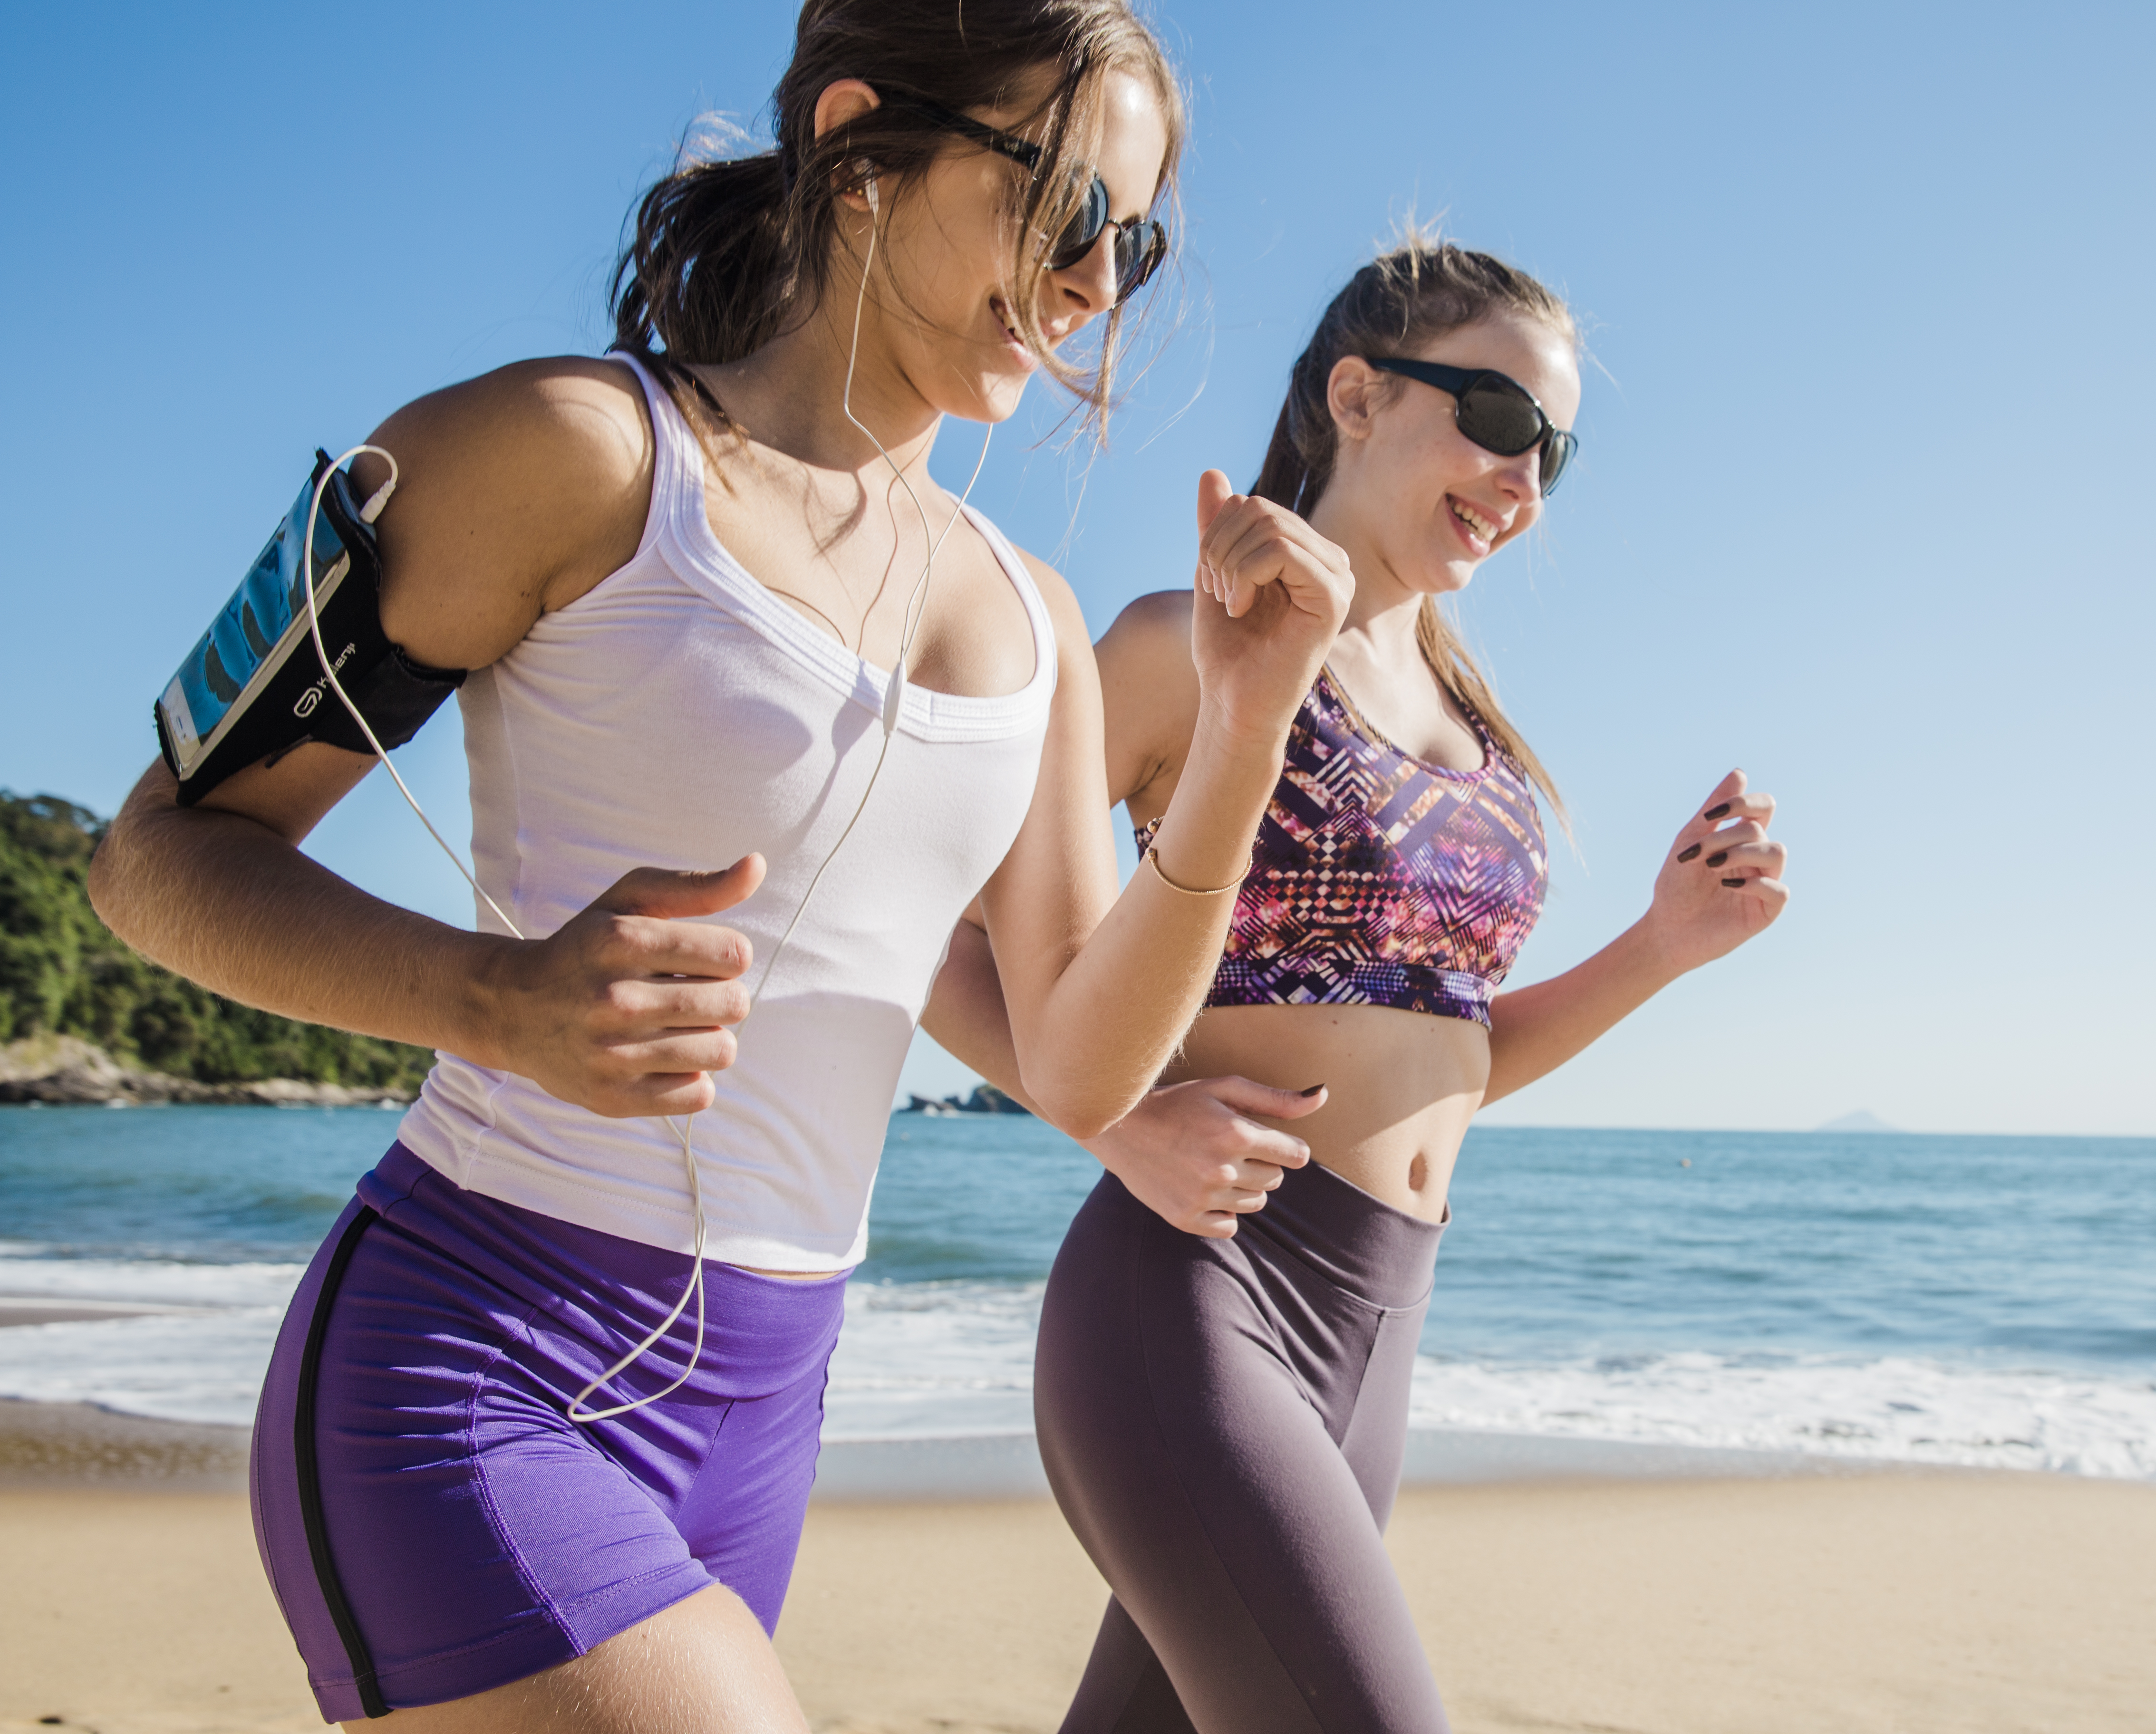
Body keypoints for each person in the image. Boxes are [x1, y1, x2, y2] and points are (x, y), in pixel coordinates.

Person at [85, 3, 1355, 1728]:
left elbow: (1080, 1059)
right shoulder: (576, 456)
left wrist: (1246, 725)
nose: (1095, 287)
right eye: (1067, 214)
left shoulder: (1036, 625)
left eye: (1135, 243)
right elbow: (153, 859)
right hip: (475, 1363)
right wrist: (496, 1000)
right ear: (858, 144)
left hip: (770, 1412)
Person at [919, 232, 1792, 1732]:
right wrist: (1107, 1119)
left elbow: (1447, 1057)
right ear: (1357, 395)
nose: (1525, 478)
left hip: (1376, 1324)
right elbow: (927, 919)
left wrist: (1661, 944)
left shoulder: (1474, 722)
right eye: (1499, 419)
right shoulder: (1194, 648)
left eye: (1555, 453)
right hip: (1196, 1302)